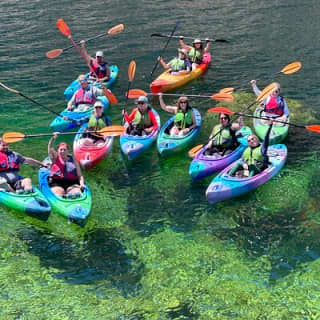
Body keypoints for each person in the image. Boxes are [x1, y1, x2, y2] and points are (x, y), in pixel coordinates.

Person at [48, 133, 85, 197]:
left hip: (72, 182)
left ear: (68, 151)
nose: (62, 151)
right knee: (58, 194)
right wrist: (53, 138)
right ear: (58, 151)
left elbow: (80, 175)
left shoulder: (74, 160)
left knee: (76, 194)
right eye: (61, 149)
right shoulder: (55, 158)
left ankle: (70, 196)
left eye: (64, 149)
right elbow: (50, 148)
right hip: (57, 182)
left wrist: (81, 184)